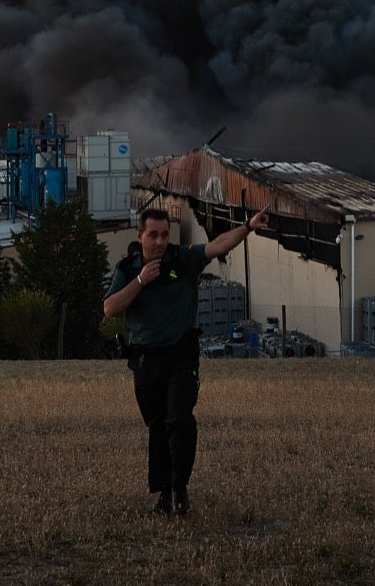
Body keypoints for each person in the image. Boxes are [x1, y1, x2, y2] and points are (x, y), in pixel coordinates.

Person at [103, 205, 269, 516]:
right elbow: (110, 308)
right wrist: (140, 281)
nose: (160, 242)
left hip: (181, 354)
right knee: (157, 426)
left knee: (179, 419)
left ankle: (180, 487)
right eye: (153, 235)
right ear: (140, 236)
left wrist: (248, 226)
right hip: (145, 360)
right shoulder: (128, 268)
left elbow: (218, 245)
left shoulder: (183, 258)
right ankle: (164, 493)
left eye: (164, 235)